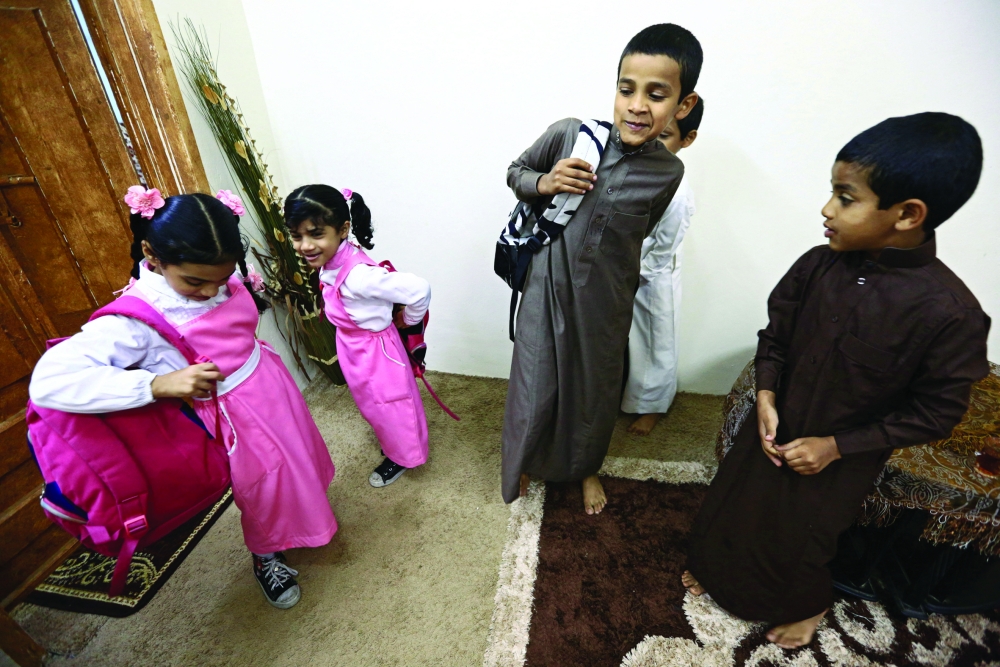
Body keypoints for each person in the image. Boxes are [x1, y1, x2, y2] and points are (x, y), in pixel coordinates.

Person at [683, 113, 991, 649]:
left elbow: (936, 413)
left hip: (841, 457)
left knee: (802, 537)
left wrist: (836, 446)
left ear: (907, 214)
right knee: (736, 502)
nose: (827, 209)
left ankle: (808, 604)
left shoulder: (951, 314)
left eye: (846, 198)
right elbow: (774, 337)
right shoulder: (816, 266)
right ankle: (717, 569)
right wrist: (766, 393)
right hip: (774, 426)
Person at [29, 189, 338, 610]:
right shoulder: (135, 318)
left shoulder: (212, 275)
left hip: (268, 384)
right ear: (151, 255)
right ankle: (267, 555)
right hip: (233, 416)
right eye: (195, 281)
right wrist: (156, 385)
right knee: (261, 488)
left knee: (298, 458)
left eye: (220, 278)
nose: (210, 291)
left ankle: (305, 513)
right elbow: (49, 380)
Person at [501, 23, 702, 514]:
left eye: (656, 95)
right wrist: (546, 182)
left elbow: (639, 234)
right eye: (626, 89)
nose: (636, 105)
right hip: (547, 284)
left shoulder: (668, 172)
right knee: (535, 378)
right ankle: (523, 459)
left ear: (683, 106)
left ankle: (586, 466)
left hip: (607, 300)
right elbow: (515, 172)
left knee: (595, 392)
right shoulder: (572, 134)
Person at [284, 184, 431, 489]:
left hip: (377, 352)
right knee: (373, 404)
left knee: (392, 404)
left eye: (315, 234)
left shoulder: (359, 276)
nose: (305, 245)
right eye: (297, 236)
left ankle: (404, 456)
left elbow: (419, 290)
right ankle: (395, 443)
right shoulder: (333, 260)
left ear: (343, 229)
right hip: (352, 345)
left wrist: (409, 321)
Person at [624, 97, 704, 436]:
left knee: (657, 340)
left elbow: (663, 247)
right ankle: (626, 394)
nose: (655, 143)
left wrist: (636, 274)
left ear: (687, 139)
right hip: (625, 269)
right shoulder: (637, 172)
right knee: (628, 341)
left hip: (652, 277)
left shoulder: (679, 190)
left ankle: (655, 405)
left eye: (667, 136)